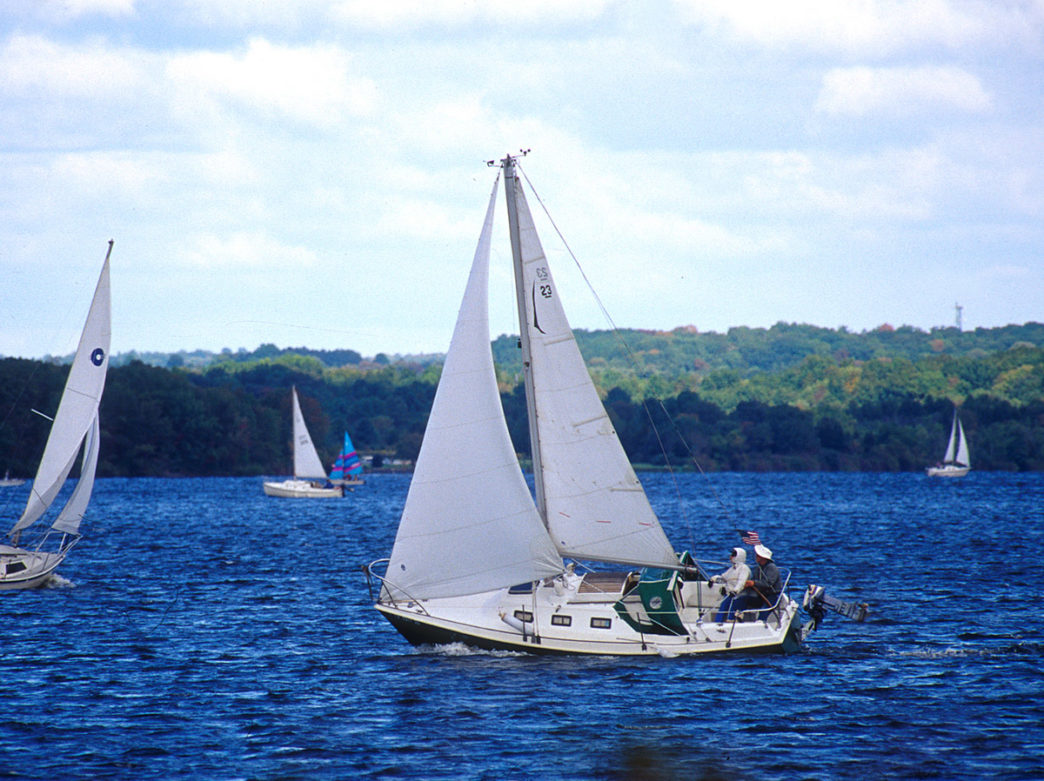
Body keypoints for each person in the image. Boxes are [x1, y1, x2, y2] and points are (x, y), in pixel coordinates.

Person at [736, 544, 782, 620]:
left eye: (758, 555)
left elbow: (768, 583)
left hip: (772, 596)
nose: (756, 556)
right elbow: (754, 579)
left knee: (763, 611)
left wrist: (754, 583)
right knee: (741, 599)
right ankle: (735, 618)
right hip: (761, 596)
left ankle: (761, 622)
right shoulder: (759, 568)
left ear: (763, 557)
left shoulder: (771, 567)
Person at [709, 547, 750, 622]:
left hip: (738, 595)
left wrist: (735, 591)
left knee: (732, 607)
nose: (731, 557)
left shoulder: (744, 568)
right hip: (729, 594)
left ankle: (731, 621)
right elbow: (723, 577)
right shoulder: (732, 569)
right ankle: (717, 623)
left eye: (733, 555)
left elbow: (741, 582)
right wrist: (713, 579)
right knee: (722, 608)